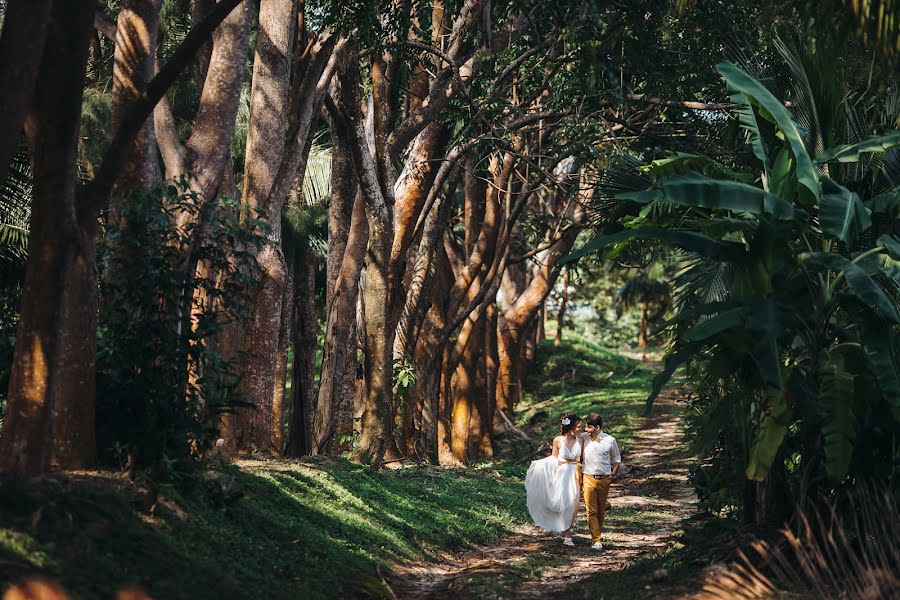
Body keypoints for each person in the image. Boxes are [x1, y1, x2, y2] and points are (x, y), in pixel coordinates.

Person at [524, 413, 583, 546]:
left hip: (575, 473)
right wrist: (540, 467)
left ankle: (566, 531)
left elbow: (583, 458)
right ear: (571, 427)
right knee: (564, 503)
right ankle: (566, 532)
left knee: (573, 504)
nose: (580, 428)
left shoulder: (581, 440)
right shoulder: (557, 440)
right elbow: (554, 458)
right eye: (578, 426)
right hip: (562, 474)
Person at [580, 412, 621, 551]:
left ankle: (597, 534)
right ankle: (596, 540)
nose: (586, 430)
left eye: (589, 427)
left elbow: (617, 460)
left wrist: (613, 475)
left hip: (604, 479)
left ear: (597, 427)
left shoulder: (610, 440)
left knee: (600, 511)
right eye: (586, 427)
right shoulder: (583, 438)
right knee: (591, 510)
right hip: (587, 477)